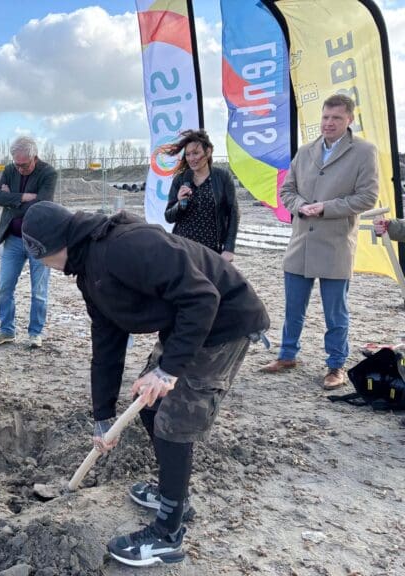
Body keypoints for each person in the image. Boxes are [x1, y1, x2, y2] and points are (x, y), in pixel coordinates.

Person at [21, 201, 269, 567]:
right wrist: (103, 415)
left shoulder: (126, 246)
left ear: (57, 245)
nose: (44, 266)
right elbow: (106, 341)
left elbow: (203, 297)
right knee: (149, 406)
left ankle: (168, 533)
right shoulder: (89, 268)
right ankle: (173, 494)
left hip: (223, 322)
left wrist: (168, 370)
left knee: (173, 423)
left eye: (42, 258)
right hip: (187, 323)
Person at [261, 94, 379, 390]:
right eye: (326, 117)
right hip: (301, 244)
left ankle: (336, 365)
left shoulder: (364, 152)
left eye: (336, 118)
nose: (329, 123)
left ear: (350, 119)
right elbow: (286, 191)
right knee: (293, 307)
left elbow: (367, 197)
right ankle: (287, 355)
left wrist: (326, 207)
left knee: (335, 312)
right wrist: (299, 204)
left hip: (335, 245)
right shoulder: (305, 151)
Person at [0, 136, 58, 348]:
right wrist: (25, 197)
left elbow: (42, 205)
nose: (19, 169)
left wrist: (12, 199)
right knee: (4, 287)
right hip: (13, 240)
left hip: (39, 241)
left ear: (34, 158)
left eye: (24, 165)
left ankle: (35, 333)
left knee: (38, 291)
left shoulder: (49, 173)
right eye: (16, 164)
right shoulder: (10, 169)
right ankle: (6, 330)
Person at [164, 129, 239, 261]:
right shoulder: (181, 179)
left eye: (196, 153)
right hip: (183, 249)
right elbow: (169, 217)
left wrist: (229, 248)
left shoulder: (222, 177)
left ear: (208, 152)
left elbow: (233, 212)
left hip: (211, 251)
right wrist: (180, 204)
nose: (191, 158)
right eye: (188, 154)